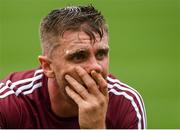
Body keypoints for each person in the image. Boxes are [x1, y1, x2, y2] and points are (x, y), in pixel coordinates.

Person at [0, 5, 147, 129]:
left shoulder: (125, 104)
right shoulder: (10, 103)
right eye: (79, 56)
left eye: (101, 54)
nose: (95, 67)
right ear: (47, 66)